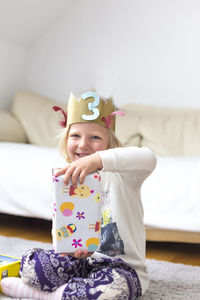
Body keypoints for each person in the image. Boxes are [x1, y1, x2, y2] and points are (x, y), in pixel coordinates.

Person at [1, 91, 157, 299]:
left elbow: (148, 158)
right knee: (34, 266)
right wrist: (69, 250)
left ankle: (49, 296)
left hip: (121, 268)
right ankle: (69, 291)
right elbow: (62, 227)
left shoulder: (124, 176)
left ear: (110, 146)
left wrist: (96, 160)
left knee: (110, 291)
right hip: (80, 263)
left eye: (95, 138)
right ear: (66, 139)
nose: (83, 145)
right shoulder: (64, 177)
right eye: (75, 136)